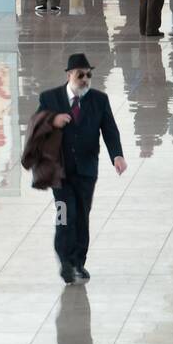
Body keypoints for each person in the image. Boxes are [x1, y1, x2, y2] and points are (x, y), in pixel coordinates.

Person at [33, 53, 127, 283]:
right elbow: (35, 124)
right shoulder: (50, 98)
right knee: (65, 214)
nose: (85, 79)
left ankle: (78, 262)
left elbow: (110, 130)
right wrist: (52, 121)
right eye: (80, 74)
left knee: (82, 216)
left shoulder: (99, 100)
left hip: (86, 171)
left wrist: (117, 155)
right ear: (69, 75)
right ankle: (65, 261)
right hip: (59, 172)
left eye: (88, 75)